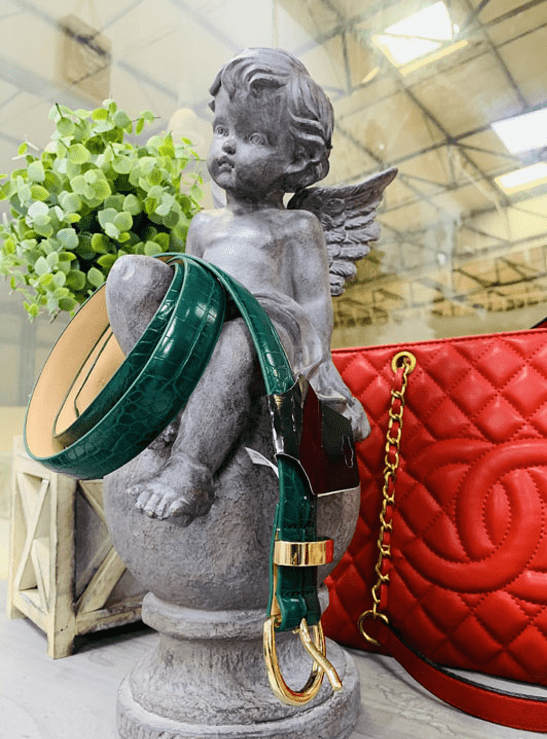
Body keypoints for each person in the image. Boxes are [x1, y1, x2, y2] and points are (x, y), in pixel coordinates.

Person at [109, 48, 369, 525]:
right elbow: (189, 288)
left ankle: (191, 471)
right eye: (222, 130)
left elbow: (313, 302)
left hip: (269, 337)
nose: (227, 146)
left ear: (298, 158)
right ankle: (163, 404)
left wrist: (324, 373)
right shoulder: (204, 225)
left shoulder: (298, 226)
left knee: (236, 338)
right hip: (207, 323)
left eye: (253, 137)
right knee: (131, 275)